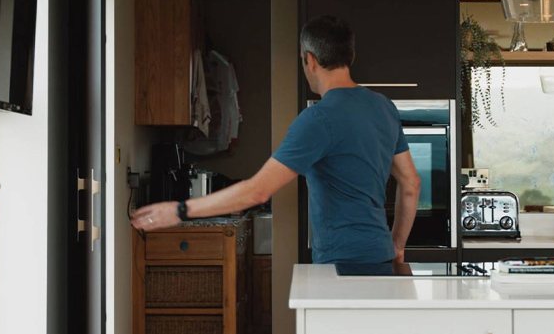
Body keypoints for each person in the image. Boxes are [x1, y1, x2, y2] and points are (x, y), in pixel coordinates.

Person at [131, 15, 421, 264]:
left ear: (310, 60)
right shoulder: (384, 107)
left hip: (341, 265)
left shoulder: (318, 119)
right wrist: (397, 246)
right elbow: (411, 184)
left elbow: (257, 192)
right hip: (380, 257)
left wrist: (180, 210)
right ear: (350, 57)